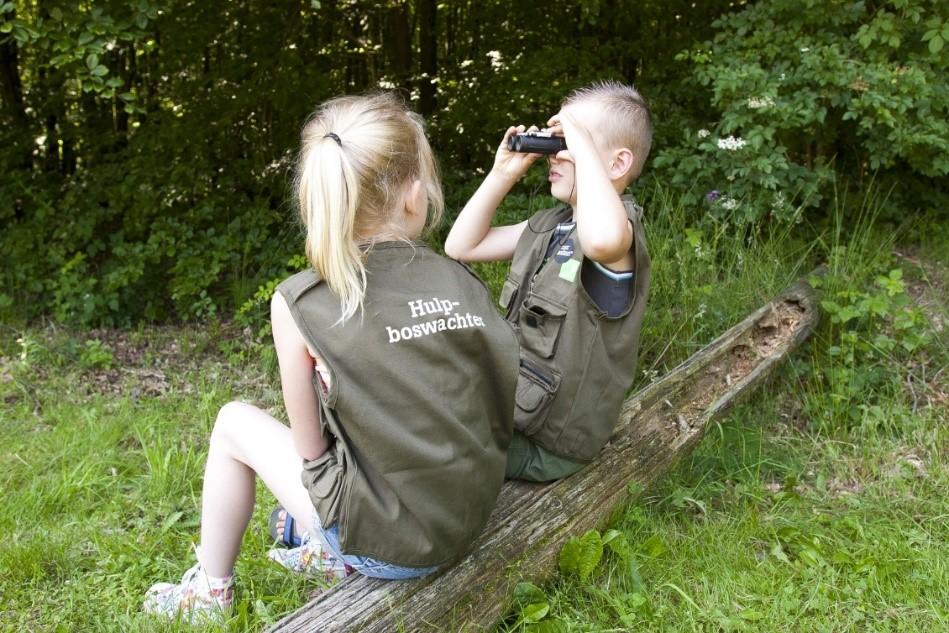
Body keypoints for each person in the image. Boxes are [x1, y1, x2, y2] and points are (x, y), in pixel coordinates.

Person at [143, 92, 519, 622]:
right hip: (470, 515)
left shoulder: (300, 300)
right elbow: (497, 397)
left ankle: (210, 591)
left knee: (232, 423)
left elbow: (312, 452)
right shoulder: (458, 277)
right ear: (414, 195)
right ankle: (324, 547)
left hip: (388, 550)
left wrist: (336, 522)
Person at [443, 80, 652, 482]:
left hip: (550, 443)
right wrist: (502, 174)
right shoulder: (550, 226)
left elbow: (602, 239)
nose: (554, 154)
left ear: (616, 163)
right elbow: (462, 245)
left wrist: (580, 144)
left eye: (570, 144)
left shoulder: (618, 234)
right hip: (514, 412)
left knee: (425, 443)